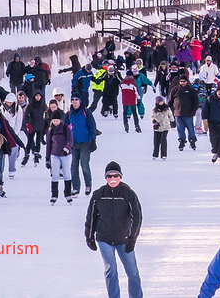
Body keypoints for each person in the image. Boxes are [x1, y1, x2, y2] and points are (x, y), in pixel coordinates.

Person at [86, 161, 143, 298]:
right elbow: (91, 217)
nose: (112, 179)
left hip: (124, 239)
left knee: (133, 272)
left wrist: (132, 238)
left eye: (115, 176)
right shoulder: (98, 195)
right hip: (104, 238)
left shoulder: (128, 194)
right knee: (111, 271)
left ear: (120, 177)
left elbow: (137, 217)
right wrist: (89, 237)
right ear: (105, 178)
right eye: (109, 176)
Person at [66, 93, 97, 196]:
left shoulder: (86, 112)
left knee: (84, 165)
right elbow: (64, 128)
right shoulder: (69, 114)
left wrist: (93, 140)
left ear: (80, 101)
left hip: (85, 143)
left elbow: (92, 126)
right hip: (73, 144)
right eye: (73, 100)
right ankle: (75, 187)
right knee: (73, 167)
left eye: (76, 99)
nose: (74, 101)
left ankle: (88, 184)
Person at [45, 109, 74, 204]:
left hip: (65, 155)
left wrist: (67, 148)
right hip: (54, 155)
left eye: (57, 120)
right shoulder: (51, 130)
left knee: (66, 174)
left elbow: (70, 140)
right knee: (55, 175)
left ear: (60, 120)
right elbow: (49, 144)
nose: (55, 122)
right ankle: (54, 195)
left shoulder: (66, 128)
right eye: (54, 120)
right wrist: (47, 158)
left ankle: (68, 194)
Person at [170, 74, 199, 152]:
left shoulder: (191, 90)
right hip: (178, 113)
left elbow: (196, 101)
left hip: (188, 113)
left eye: (184, 81)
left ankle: (192, 141)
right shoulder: (175, 90)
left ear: (187, 82)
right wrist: (173, 110)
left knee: (190, 129)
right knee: (180, 129)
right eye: (181, 81)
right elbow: (170, 101)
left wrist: (193, 111)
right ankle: (182, 141)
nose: (182, 83)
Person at [151, 96, 173, 161]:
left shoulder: (167, 108)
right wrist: (154, 121)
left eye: (162, 101)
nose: (161, 103)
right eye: (159, 102)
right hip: (157, 127)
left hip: (165, 127)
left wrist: (172, 121)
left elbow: (170, 115)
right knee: (156, 141)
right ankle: (155, 154)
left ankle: (164, 155)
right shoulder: (155, 110)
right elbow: (152, 117)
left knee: (163, 140)